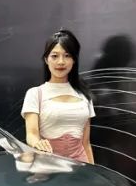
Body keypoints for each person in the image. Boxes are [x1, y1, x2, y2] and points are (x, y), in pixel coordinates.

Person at [21, 28, 96, 163]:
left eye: (67, 55)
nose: (61, 62)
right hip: (48, 165)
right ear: (46, 59)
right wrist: (37, 143)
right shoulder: (35, 93)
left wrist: (94, 171)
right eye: (55, 56)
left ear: (74, 60)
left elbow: (86, 143)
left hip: (81, 166)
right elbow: (32, 134)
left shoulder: (84, 95)